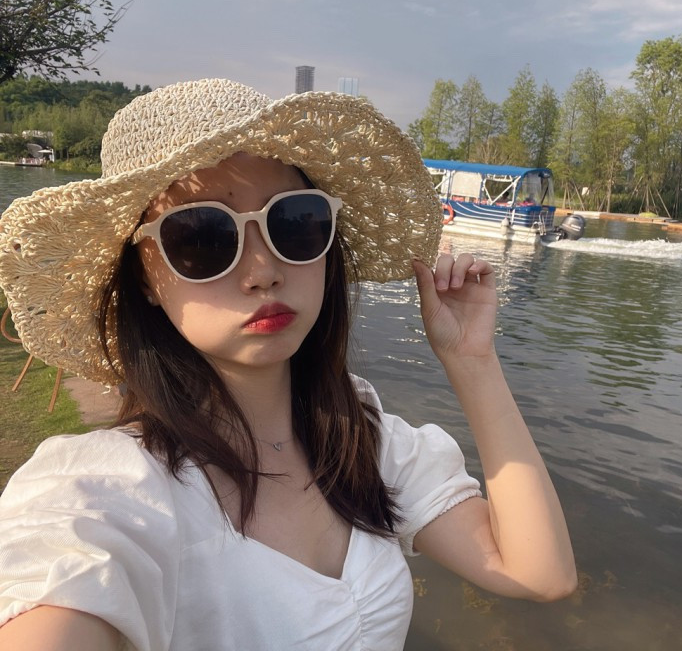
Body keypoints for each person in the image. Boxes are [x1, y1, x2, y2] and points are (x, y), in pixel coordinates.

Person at [0, 79, 576, 651]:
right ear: (145, 277)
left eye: (295, 222)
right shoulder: (107, 493)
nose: (263, 271)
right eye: (202, 236)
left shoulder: (365, 442)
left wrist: (473, 361)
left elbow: (537, 573)